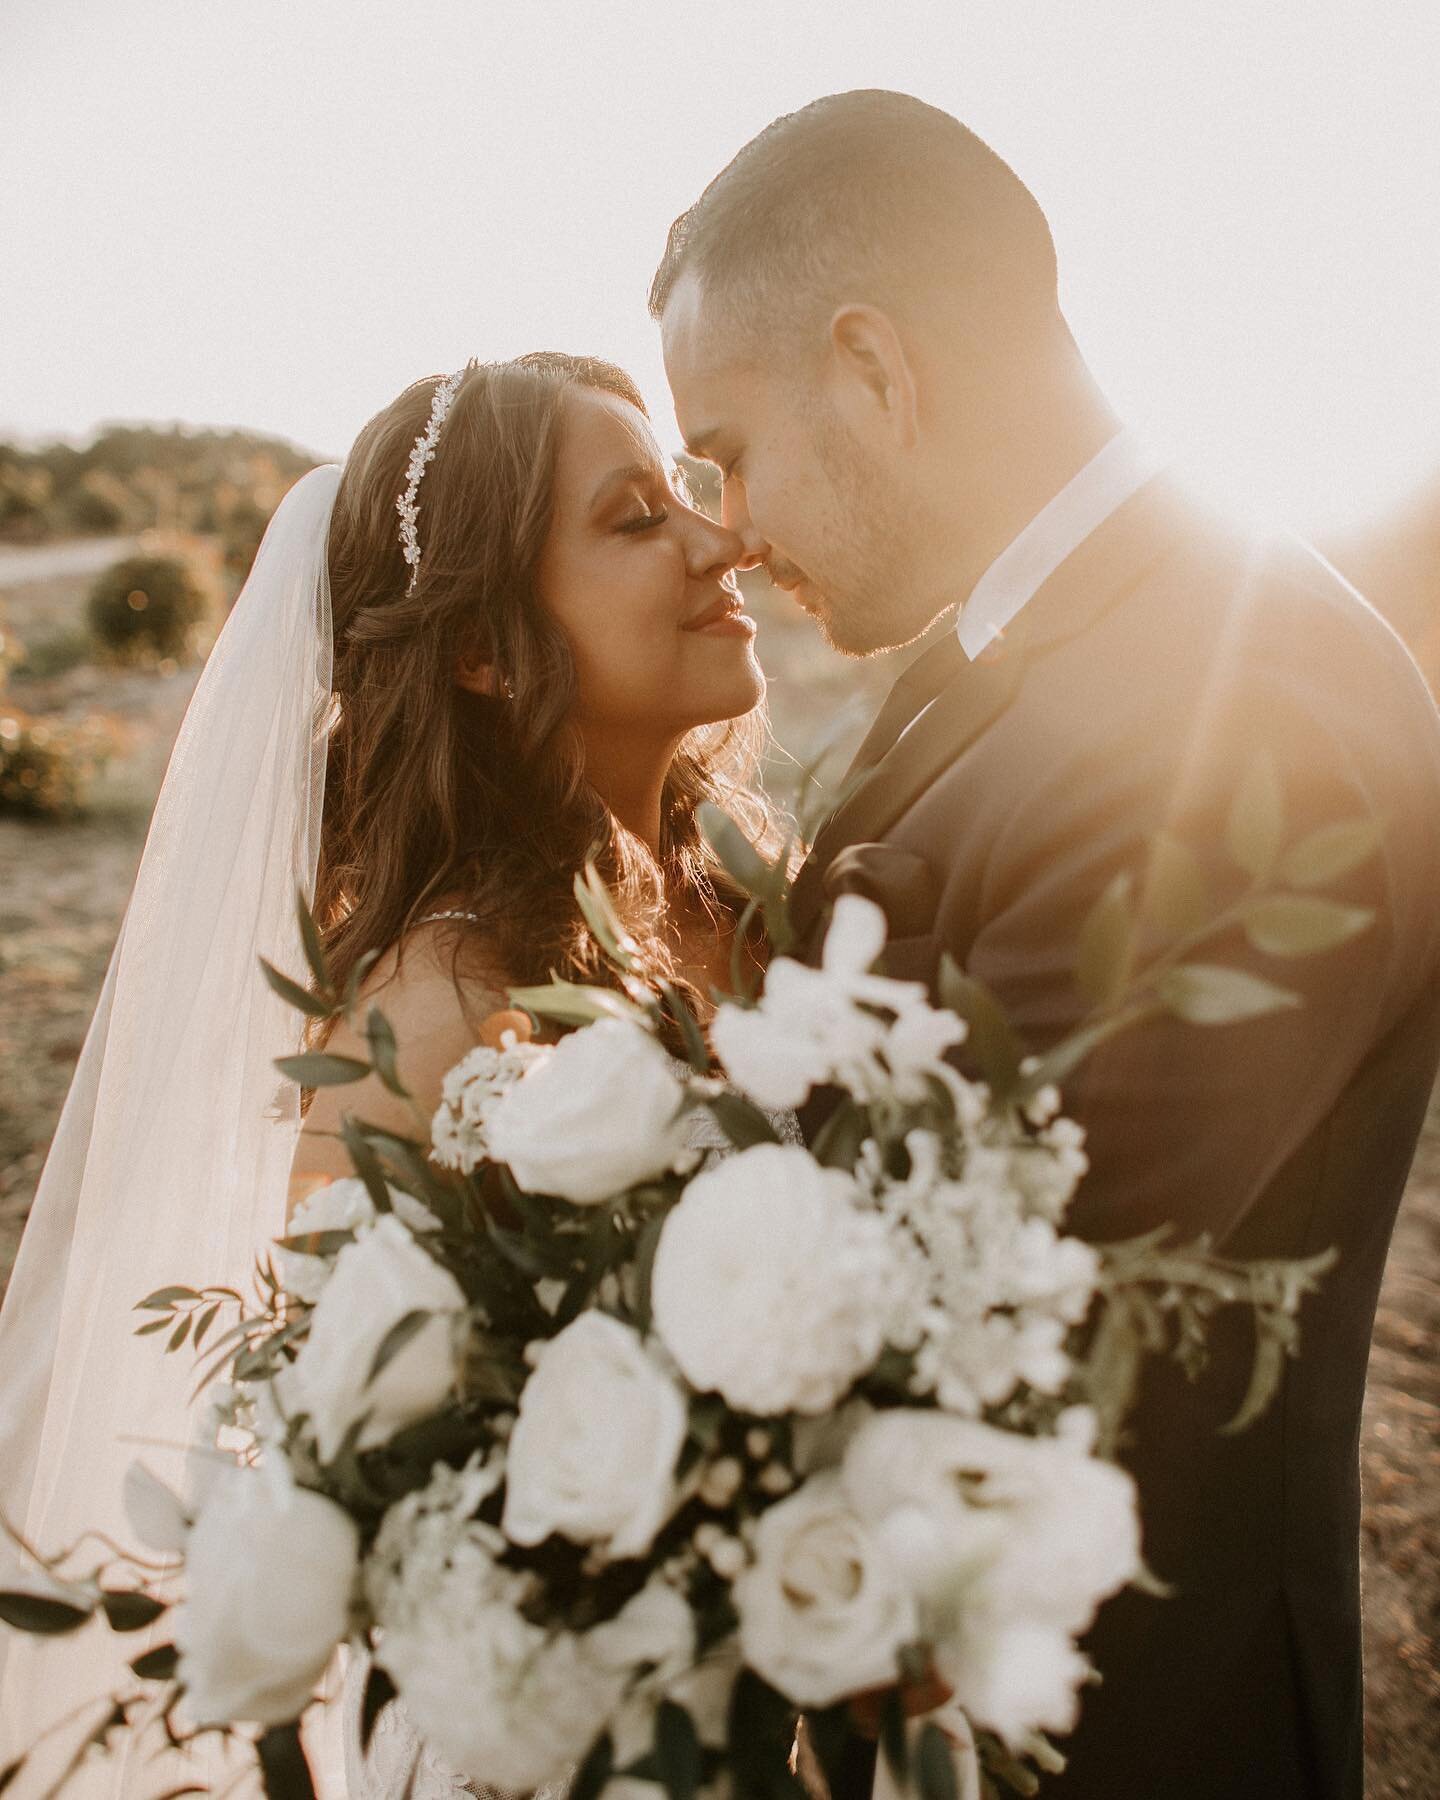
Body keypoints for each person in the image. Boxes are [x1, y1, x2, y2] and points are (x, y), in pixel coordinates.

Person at [653, 88, 1440, 1800]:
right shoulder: (1022, 647)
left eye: (725, 448)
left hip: (1131, 1725)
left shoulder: (1243, 713)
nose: (723, 523)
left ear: (877, 368)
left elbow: (989, 1294)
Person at [0, 351, 781, 1797]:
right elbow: (403, 1504)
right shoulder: (439, 1010)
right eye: (631, 518)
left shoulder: (744, 900)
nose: (718, 535)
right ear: (482, 646)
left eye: (685, 491)